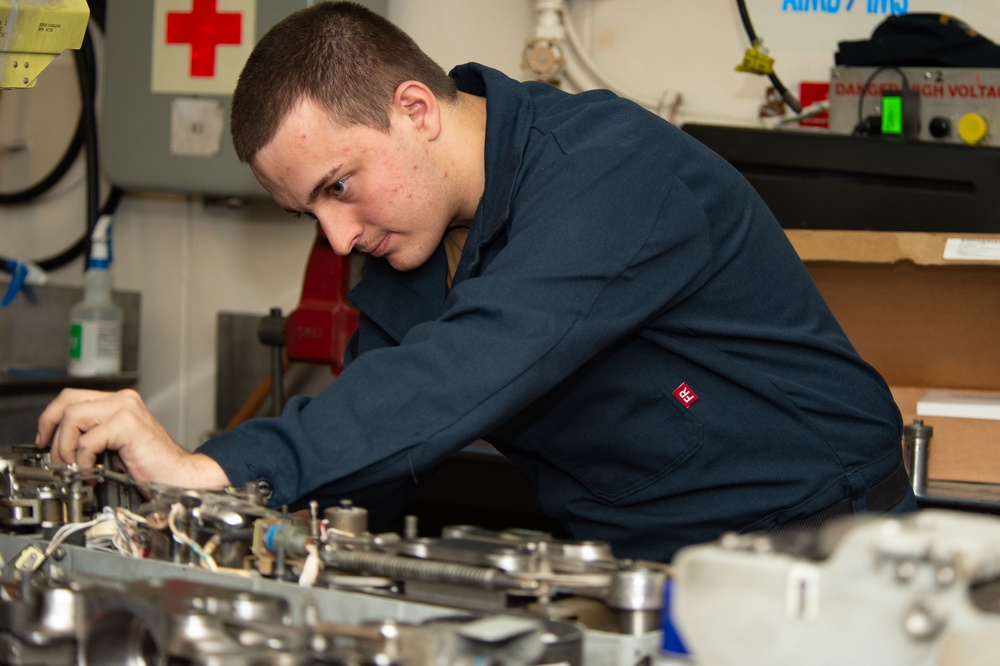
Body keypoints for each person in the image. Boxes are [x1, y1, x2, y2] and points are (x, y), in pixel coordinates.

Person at [37, 1, 917, 562]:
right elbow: (376, 444)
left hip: (821, 543)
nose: (337, 236)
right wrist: (190, 525)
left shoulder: (607, 175)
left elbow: (458, 374)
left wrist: (212, 468)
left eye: (338, 186)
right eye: (310, 213)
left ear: (415, 110)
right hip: (637, 561)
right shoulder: (403, 250)